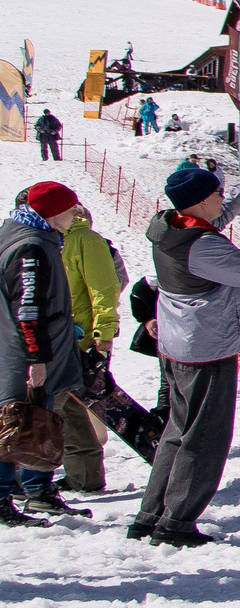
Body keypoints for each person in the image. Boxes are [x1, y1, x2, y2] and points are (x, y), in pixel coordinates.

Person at [132, 165, 240, 547]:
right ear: (202, 200)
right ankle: (177, 523)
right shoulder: (202, 246)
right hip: (207, 347)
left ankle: (151, 515)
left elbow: (213, 219)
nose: (223, 198)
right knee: (204, 437)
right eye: (219, 193)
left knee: (178, 431)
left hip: (179, 343)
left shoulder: (170, 228)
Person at [1, 181, 90, 522]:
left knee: (32, 418)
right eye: (70, 208)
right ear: (52, 211)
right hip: (24, 350)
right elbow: (28, 306)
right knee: (18, 421)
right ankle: (9, 495)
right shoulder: (32, 246)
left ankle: (38, 490)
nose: (76, 214)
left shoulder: (21, 233)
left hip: (22, 345)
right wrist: (35, 357)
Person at [55, 201, 125, 494]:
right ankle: (82, 474)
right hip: (60, 336)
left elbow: (107, 288)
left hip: (77, 337)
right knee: (69, 405)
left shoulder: (84, 241)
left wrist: (102, 333)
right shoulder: (53, 242)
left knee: (69, 404)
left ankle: (84, 475)